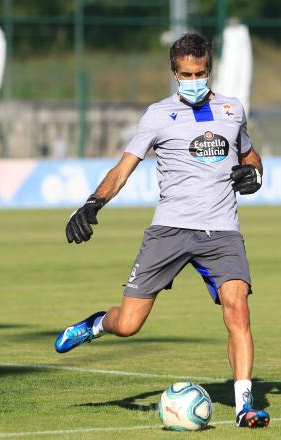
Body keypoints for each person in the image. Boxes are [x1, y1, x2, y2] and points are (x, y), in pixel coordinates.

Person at [56, 33, 269, 429]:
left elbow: (251, 159)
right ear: (174, 72)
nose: (194, 80)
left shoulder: (232, 109)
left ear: (210, 69)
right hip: (169, 231)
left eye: (200, 72)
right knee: (130, 324)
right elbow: (123, 169)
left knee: (237, 308)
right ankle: (96, 324)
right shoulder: (157, 115)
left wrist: (254, 175)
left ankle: (245, 406)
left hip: (222, 231)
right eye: (186, 74)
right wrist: (91, 204)